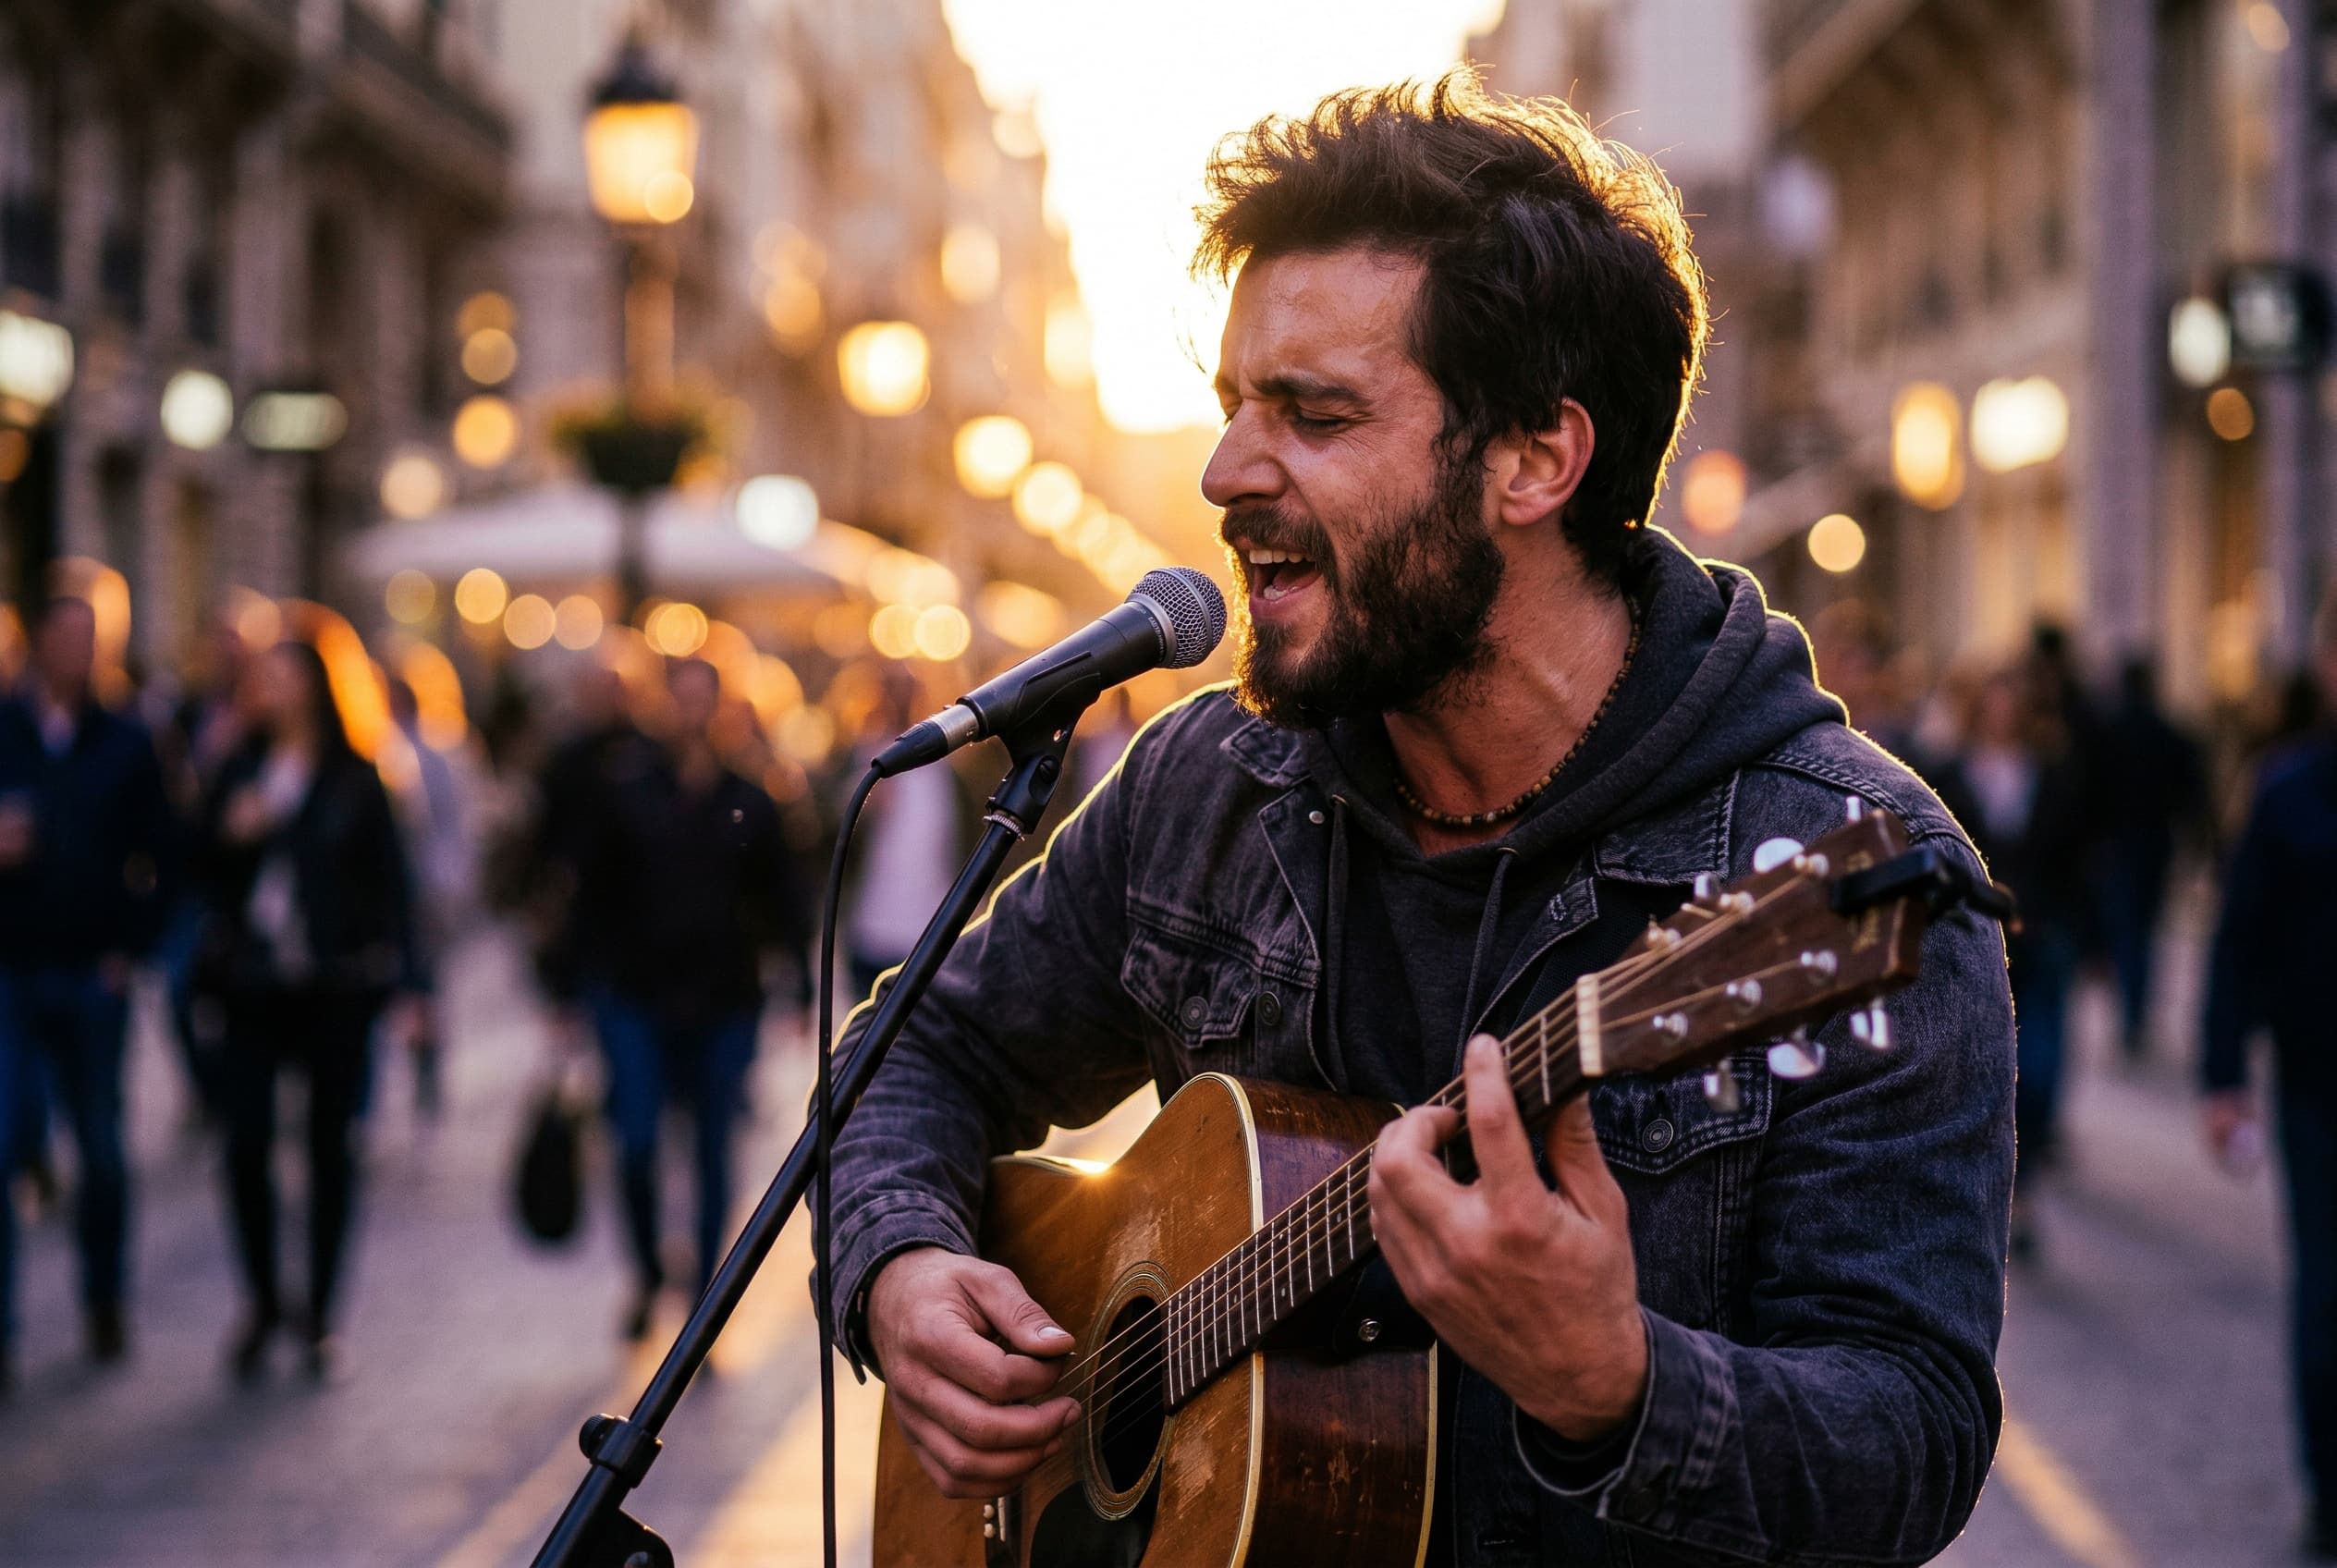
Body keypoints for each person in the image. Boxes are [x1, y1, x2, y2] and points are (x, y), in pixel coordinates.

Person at [828, 75, 2015, 1566]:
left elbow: (1908, 1437)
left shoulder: (1837, 885)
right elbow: (917, 1049)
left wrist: (1617, 1389)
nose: (1222, 474)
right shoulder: (1210, 785)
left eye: (1311, 416)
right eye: (1230, 408)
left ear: (1533, 459)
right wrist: (904, 1266)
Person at [193, 641, 421, 1379]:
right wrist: (230, 835)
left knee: (331, 1150)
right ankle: (263, 1300)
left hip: (334, 987)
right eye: (266, 679)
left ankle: (321, 1314)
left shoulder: (356, 776)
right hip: (252, 986)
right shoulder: (239, 767)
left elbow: (392, 885)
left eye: (288, 678)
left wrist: (415, 986)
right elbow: (193, 867)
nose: (275, 691)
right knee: (246, 1144)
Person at [582, 657, 804, 1338]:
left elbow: (785, 896)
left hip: (724, 1000)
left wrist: (800, 983)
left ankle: (705, 1298)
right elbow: (594, 893)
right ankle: (650, 1270)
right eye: (679, 699)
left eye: (703, 700)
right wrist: (569, 992)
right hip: (638, 997)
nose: (691, 713)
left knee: (713, 1150)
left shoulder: (752, 796)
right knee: (638, 1141)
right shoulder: (627, 789)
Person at [0, 596, 177, 1389]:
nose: (77, 651)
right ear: (40, 642)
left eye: (90, 640)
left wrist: (128, 949)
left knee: (101, 1154)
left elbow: (165, 857)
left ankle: (105, 1298)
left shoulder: (129, 739)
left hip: (90, 969)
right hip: (10, 966)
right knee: (4, 1146)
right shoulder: (5, 729)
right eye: (65, 636)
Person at [2202, 586, 2337, 1557]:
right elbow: (2235, 941)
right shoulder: (2288, 790)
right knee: (2327, 1289)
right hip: (2318, 1084)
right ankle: (2330, 1483)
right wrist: (2220, 1076)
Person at [1930, 665, 2088, 1256]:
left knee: (2042, 1067)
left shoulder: (2051, 773)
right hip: (1971, 939)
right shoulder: (1946, 773)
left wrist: (2087, 936)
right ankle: (2005, 1196)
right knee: (1981, 1067)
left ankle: (2027, 1177)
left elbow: (2076, 859)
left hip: (2042, 935)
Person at [2098, 657, 2206, 1062]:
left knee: (2128, 926)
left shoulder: (2112, 733)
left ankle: (2131, 1010)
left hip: (2123, 842)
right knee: (2143, 927)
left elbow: (2094, 790)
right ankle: (2135, 1009)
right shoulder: (2171, 735)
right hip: (2155, 842)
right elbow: (2191, 793)